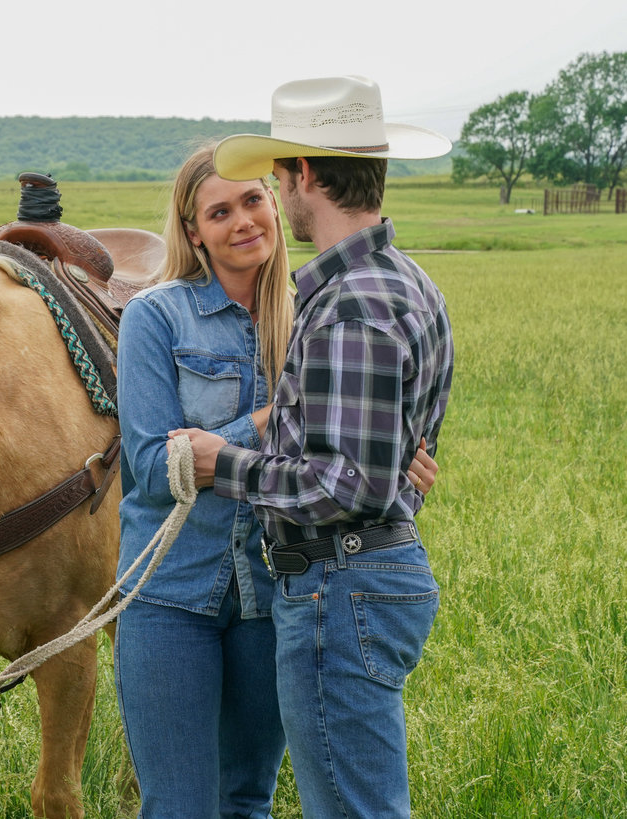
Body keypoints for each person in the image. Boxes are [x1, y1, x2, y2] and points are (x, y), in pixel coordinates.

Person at [114, 139, 438, 818]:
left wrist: (389, 460)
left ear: (278, 196)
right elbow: (150, 467)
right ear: (192, 233)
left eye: (253, 199)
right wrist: (267, 421)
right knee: (177, 806)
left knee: (246, 799)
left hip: (275, 591)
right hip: (172, 593)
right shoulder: (156, 315)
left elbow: (353, 464)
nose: (243, 221)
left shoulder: (313, 315)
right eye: (218, 212)